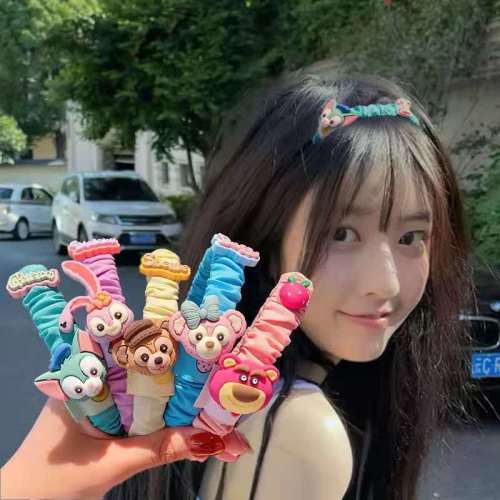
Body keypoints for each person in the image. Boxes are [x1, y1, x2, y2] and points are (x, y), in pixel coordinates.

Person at [1, 73, 473, 500]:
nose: (385, 283)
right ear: (266, 238)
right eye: (342, 234)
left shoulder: (203, 400)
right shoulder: (302, 429)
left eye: (412, 237)